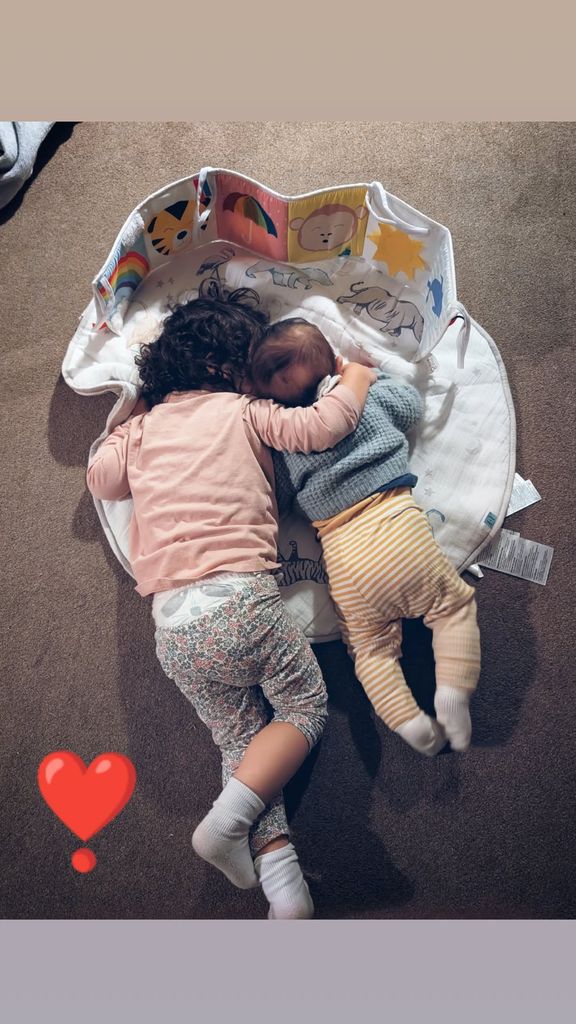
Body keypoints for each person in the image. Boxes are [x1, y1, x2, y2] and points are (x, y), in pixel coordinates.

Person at [86, 291, 375, 918]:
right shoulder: (246, 411)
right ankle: (224, 826)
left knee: (242, 743)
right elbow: (322, 427)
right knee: (303, 706)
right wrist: (356, 374)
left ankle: (283, 883)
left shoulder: (139, 429)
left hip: (174, 630)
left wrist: (136, 405)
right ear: (228, 370)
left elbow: (102, 480)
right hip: (241, 600)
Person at [249, 317, 481, 757]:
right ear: (336, 364)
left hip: (344, 558)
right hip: (399, 528)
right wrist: (374, 374)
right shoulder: (364, 397)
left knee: (371, 652)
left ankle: (408, 722)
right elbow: (411, 406)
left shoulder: (283, 441)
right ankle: (452, 692)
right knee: (452, 608)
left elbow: (277, 495)